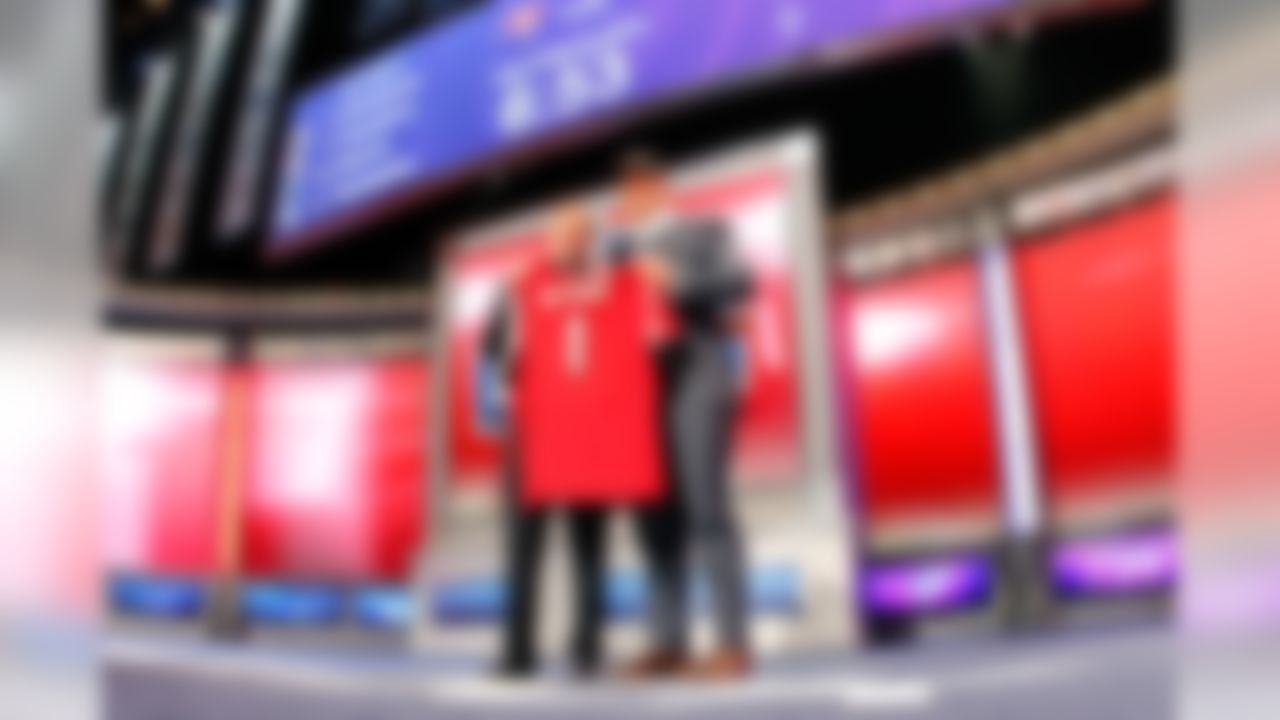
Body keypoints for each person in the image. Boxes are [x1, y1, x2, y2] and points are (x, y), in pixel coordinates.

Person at [482, 199, 669, 679]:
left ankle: (586, 644)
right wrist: (502, 294)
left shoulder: (625, 280)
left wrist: (657, 285)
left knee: (590, 542)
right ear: (547, 239)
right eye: (558, 235)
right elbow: (490, 345)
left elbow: (662, 341)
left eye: (576, 234)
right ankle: (518, 647)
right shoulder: (524, 282)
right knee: (523, 543)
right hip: (536, 428)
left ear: (591, 239)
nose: (566, 243)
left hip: (594, 427)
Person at [608, 150, 755, 680]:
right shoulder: (612, 252)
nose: (636, 194)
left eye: (645, 183)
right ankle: (668, 641)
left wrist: (676, 280)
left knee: (707, 508)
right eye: (627, 187)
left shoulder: (704, 229)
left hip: (696, 375)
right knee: (653, 520)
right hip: (635, 392)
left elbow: (741, 282)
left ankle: (731, 642)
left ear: (662, 186)